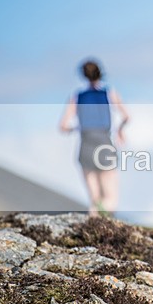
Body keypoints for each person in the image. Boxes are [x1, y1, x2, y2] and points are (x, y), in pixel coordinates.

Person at [59, 59, 130, 216]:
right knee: (110, 197)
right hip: (104, 143)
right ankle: (105, 230)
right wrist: (119, 130)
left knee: (94, 198)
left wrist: (78, 128)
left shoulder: (77, 97)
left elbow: (63, 126)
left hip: (86, 145)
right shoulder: (110, 93)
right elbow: (126, 117)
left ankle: (93, 226)